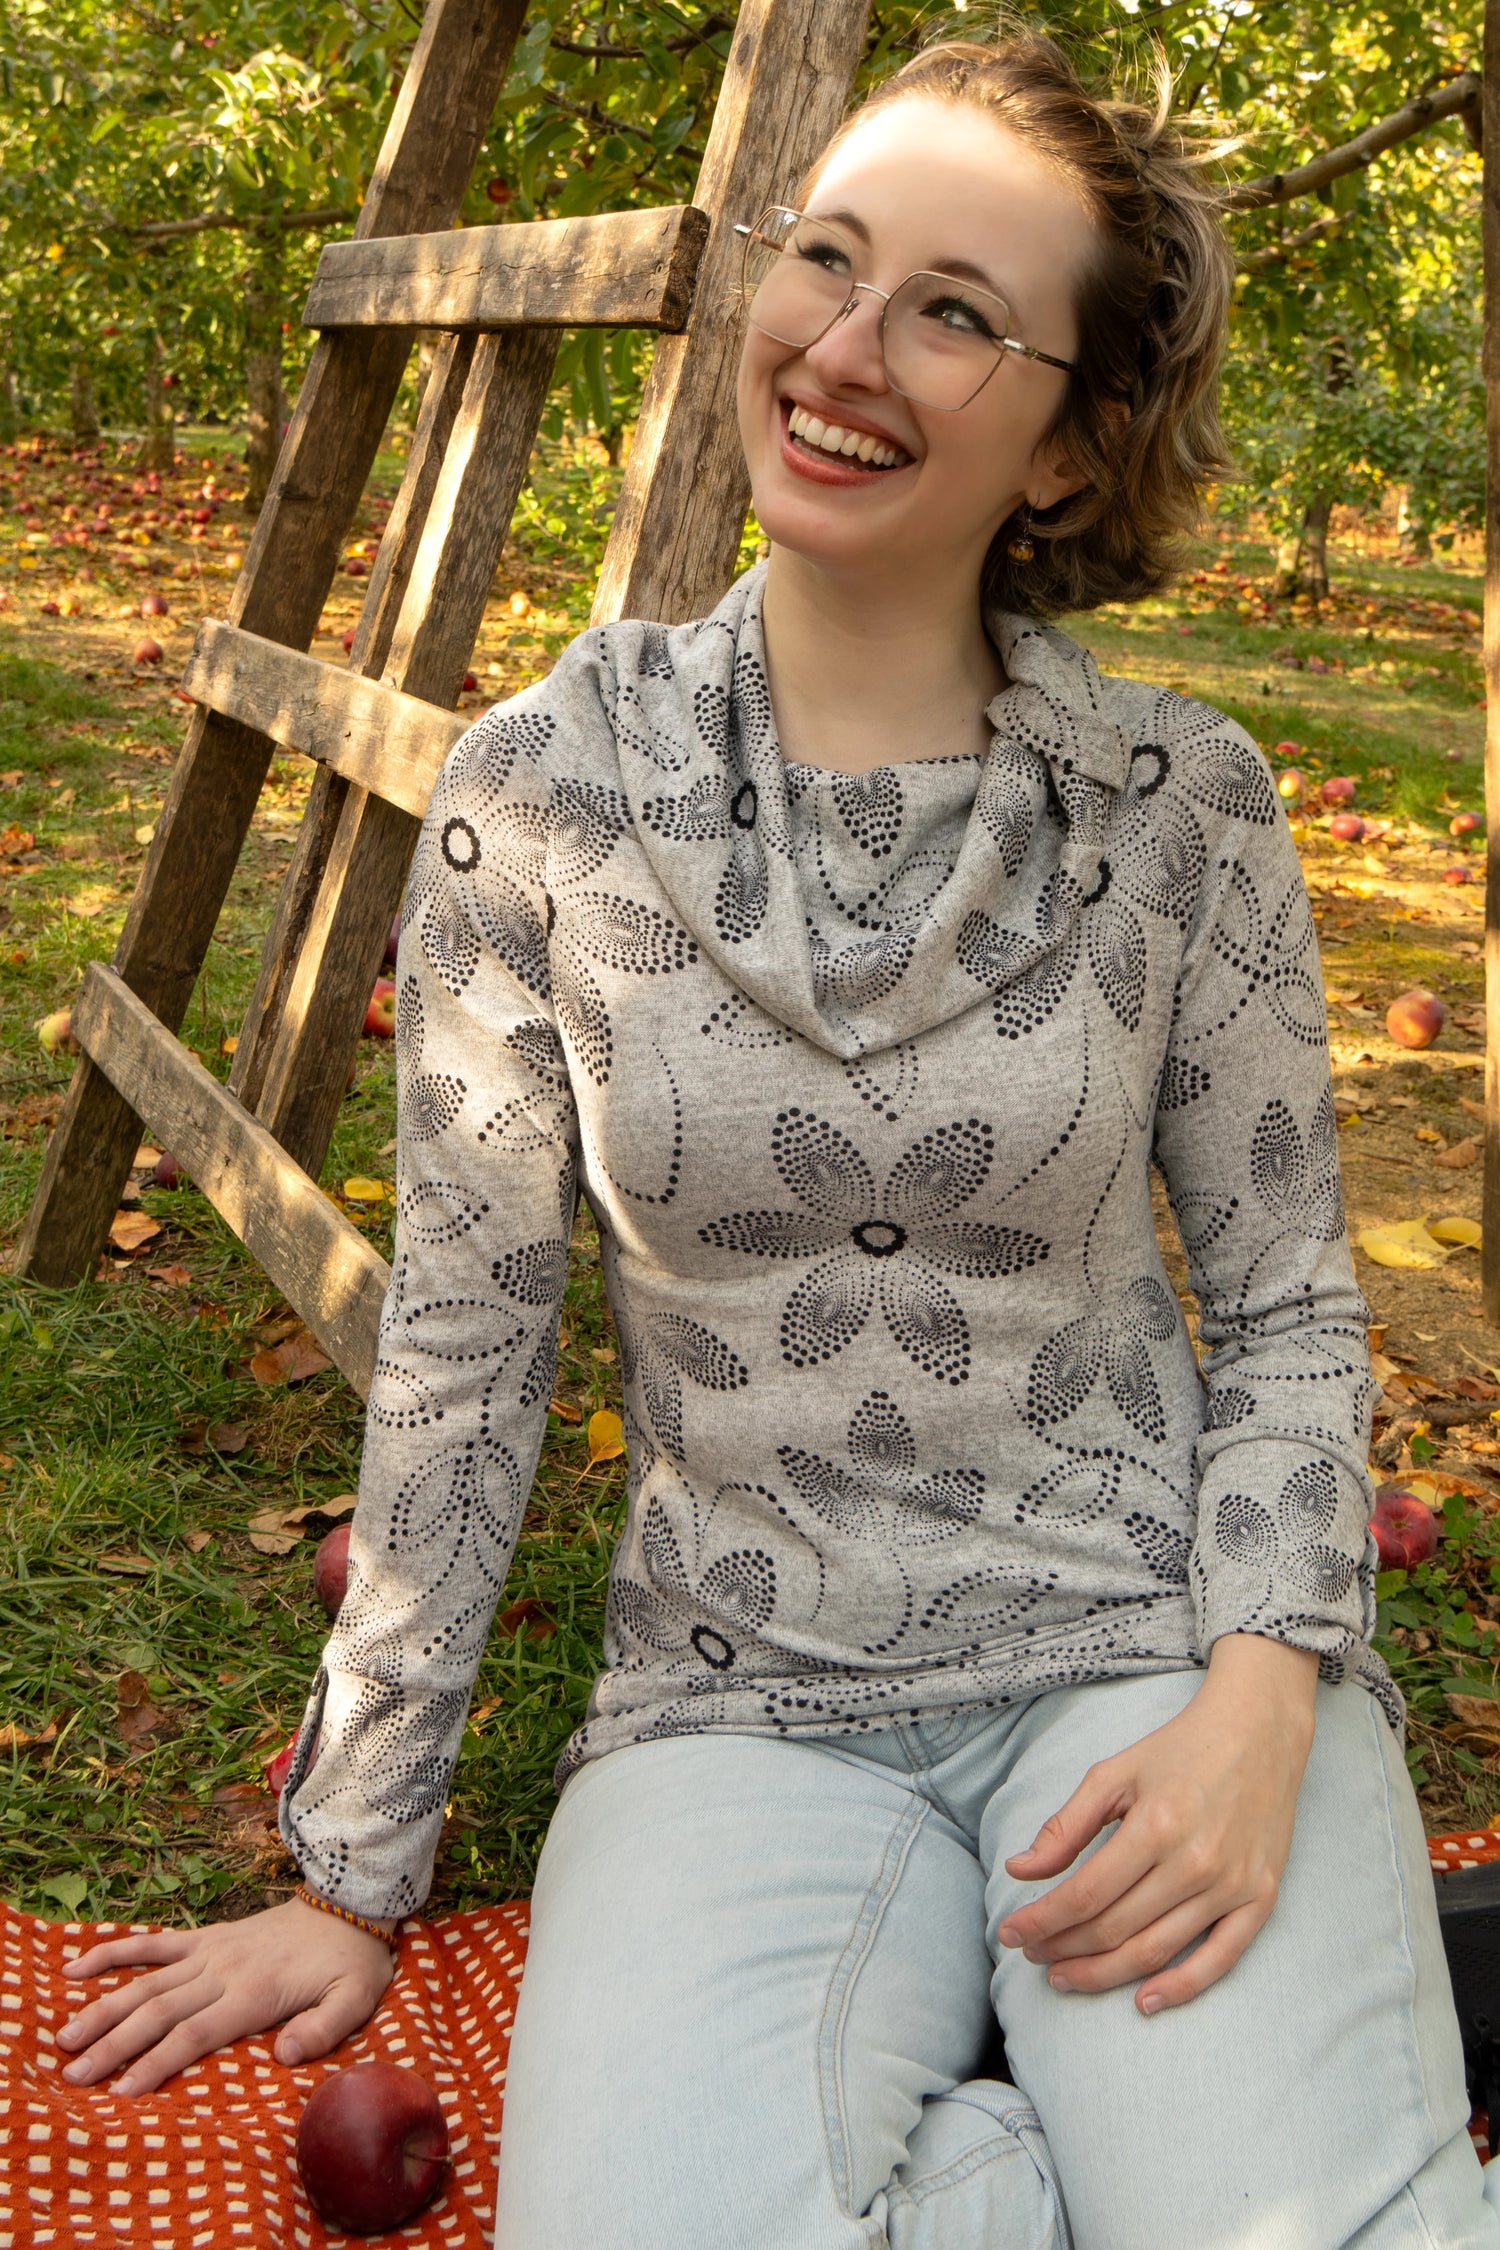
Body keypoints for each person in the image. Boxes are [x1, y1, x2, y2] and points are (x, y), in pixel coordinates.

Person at [48, 25, 1500, 2248]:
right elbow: (462, 1353)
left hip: (1140, 1663)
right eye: (827, 258)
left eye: (953, 309)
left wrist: (1262, 1700)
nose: (845, 344)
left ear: (1066, 442)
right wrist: (356, 1868)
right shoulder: (539, 799)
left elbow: (1300, 1299)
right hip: (741, 1706)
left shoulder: (1180, 809)